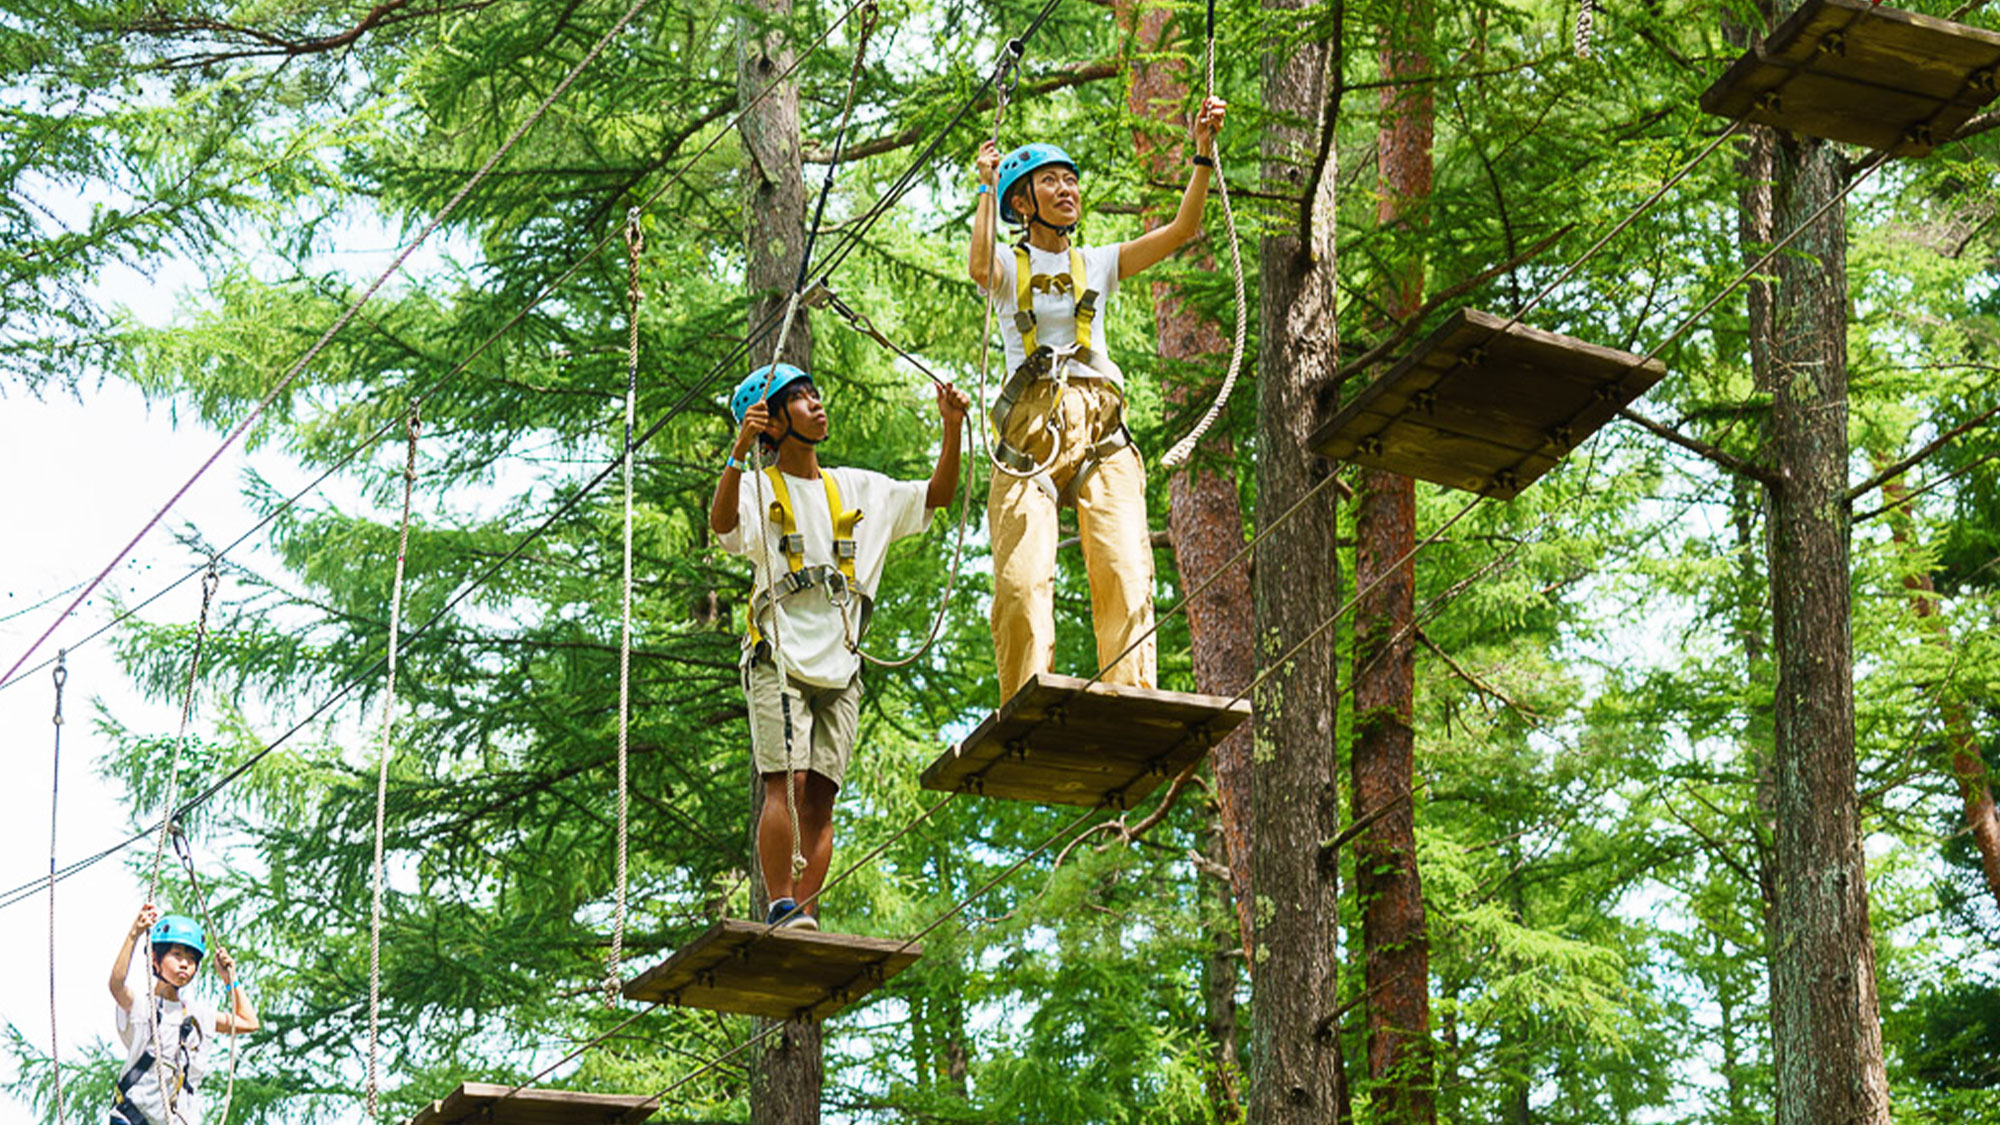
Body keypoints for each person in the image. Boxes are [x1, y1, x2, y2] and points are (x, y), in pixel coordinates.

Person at [968, 96, 1229, 704]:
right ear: (1021, 204)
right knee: (1021, 581)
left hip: (1101, 429)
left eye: (1071, 181)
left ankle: (1130, 693)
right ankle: (1026, 698)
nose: (1067, 190)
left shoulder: (1098, 264)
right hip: (1027, 436)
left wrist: (1202, 153)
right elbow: (981, 266)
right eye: (1050, 182)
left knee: (1124, 568)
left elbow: (1183, 230)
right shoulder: (1009, 266)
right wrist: (985, 189)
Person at [709, 362, 969, 928]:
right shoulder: (758, 487)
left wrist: (951, 428)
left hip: (841, 664)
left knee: (822, 794)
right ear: (772, 423)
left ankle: (802, 910)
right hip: (778, 657)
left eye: (814, 394)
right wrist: (738, 452)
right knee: (788, 779)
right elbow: (726, 528)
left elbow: (937, 495)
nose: (816, 404)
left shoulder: (859, 489)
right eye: (799, 400)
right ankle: (779, 901)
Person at [108, 905, 260, 1125]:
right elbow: (116, 984)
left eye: (191, 959)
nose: (184, 964)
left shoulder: (199, 1015)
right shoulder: (141, 1006)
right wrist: (135, 934)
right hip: (132, 1117)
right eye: (176, 954)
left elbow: (249, 1022)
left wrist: (229, 979)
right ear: (155, 959)